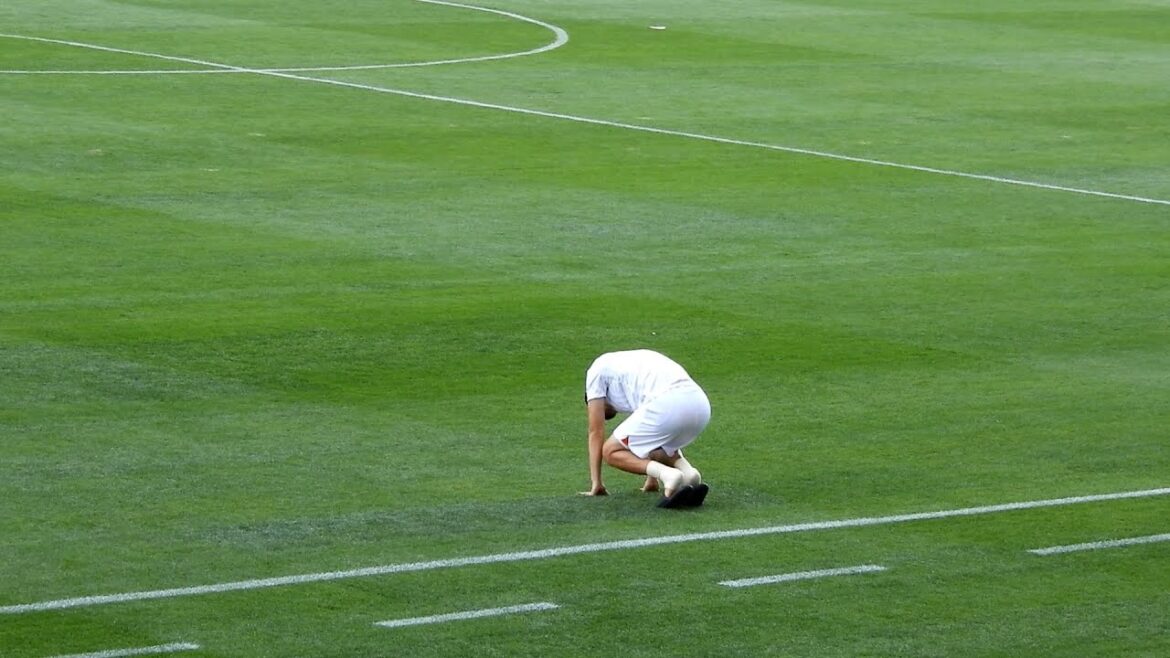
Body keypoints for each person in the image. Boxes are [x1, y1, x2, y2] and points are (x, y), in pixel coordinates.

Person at [579, 349, 711, 508]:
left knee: (610, 451)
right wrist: (651, 480)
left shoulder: (595, 373)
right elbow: (649, 439)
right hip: (700, 404)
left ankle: (669, 475)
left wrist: (597, 484)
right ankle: (689, 474)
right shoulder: (628, 366)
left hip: (669, 404)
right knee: (654, 441)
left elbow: (596, 431)